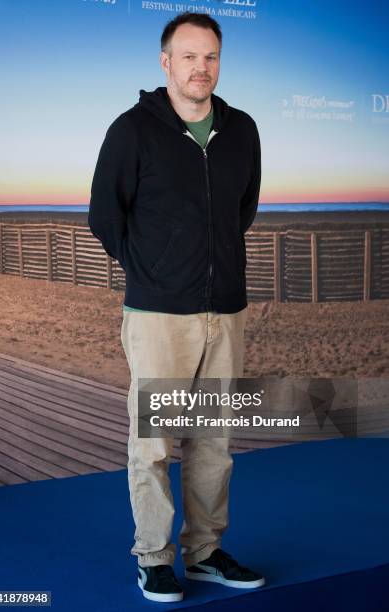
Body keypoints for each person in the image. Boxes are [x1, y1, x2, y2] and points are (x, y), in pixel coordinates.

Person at [88, 11, 264, 603]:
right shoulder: (133, 129)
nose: (201, 67)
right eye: (189, 56)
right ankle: (155, 557)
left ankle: (206, 551)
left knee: (214, 440)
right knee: (156, 442)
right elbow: (105, 217)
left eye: (210, 56)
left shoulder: (242, 129)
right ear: (166, 62)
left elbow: (242, 210)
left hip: (227, 311)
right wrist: (154, 274)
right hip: (161, 314)